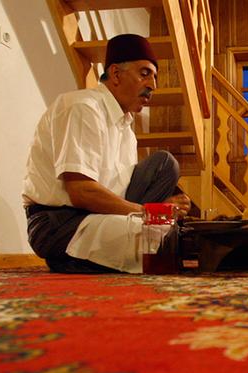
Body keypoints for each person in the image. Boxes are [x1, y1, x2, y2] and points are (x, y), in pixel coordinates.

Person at [22, 34, 191, 274]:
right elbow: (81, 192)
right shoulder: (83, 108)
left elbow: (119, 192)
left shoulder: (126, 127)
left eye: (155, 76)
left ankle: (104, 252)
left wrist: (164, 210)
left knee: (166, 165)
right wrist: (150, 213)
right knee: (161, 242)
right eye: (144, 73)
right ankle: (69, 257)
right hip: (60, 224)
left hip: (101, 214)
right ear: (115, 74)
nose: (153, 85)